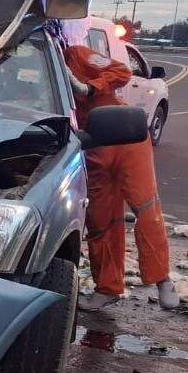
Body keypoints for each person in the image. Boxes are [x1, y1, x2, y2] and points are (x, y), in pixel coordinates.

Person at [59, 20, 179, 311]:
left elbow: (122, 71)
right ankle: (107, 287)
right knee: (101, 220)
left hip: (125, 136)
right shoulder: (32, 60)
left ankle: (162, 279)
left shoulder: (77, 55)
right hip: (90, 143)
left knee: (145, 206)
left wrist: (88, 88)